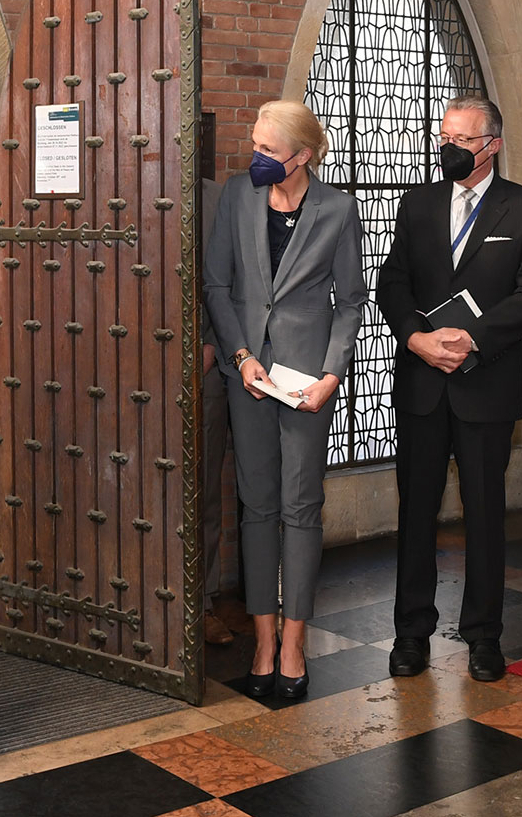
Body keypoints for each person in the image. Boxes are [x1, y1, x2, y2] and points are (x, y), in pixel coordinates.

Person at [377, 95, 522, 683]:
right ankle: (411, 634)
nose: (449, 148)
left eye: (463, 140)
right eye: (443, 137)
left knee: (484, 516)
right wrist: (417, 338)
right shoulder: (418, 203)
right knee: (417, 513)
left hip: (485, 385)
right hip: (422, 383)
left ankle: (483, 637)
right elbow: (394, 281)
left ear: (492, 146)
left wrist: (469, 339)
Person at [204, 100, 366, 700]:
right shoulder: (237, 197)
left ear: (301, 156)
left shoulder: (337, 210)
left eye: (269, 150)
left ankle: (295, 643)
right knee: (257, 508)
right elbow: (217, 285)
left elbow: (350, 301)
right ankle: (263, 640)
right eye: (255, 145)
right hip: (246, 374)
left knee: (301, 507)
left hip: (306, 385)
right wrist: (241, 355)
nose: (257, 157)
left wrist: (331, 373)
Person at [199, 176, 234, 646]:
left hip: (200, 368)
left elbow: (238, 278)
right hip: (122, 369)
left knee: (200, 491)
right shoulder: (113, 184)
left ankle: (199, 603)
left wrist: (211, 342)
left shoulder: (216, 198)